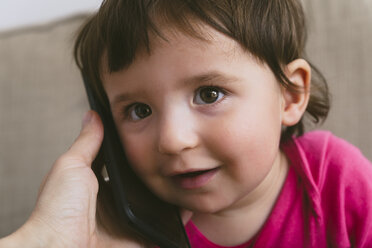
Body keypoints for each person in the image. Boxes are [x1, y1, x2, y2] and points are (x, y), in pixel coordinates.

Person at [1, 0, 372, 247]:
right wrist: (47, 237)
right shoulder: (121, 230)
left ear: (289, 95)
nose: (172, 140)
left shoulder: (336, 180)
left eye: (209, 94)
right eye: (139, 111)